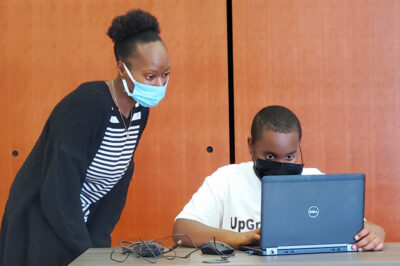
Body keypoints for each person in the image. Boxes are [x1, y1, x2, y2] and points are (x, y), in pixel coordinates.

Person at [0, 9, 170, 266]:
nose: (159, 85)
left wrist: (99, 245)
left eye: (165, 74)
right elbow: (59, 189)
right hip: (42, 227)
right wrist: (86, 252)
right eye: (150, 76)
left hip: (80, 226)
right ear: (122, 69)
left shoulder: (139, 110)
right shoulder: (87, 105)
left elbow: (120, 175)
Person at [173, 105, 385, 251]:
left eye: (290, 156)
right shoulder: (226, 179)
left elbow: (362, 227)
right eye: (270, 156)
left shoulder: (317, 182)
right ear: (250, 145)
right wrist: (240, 239)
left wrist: (376, 232)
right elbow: (182, 230)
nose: (281, 164)